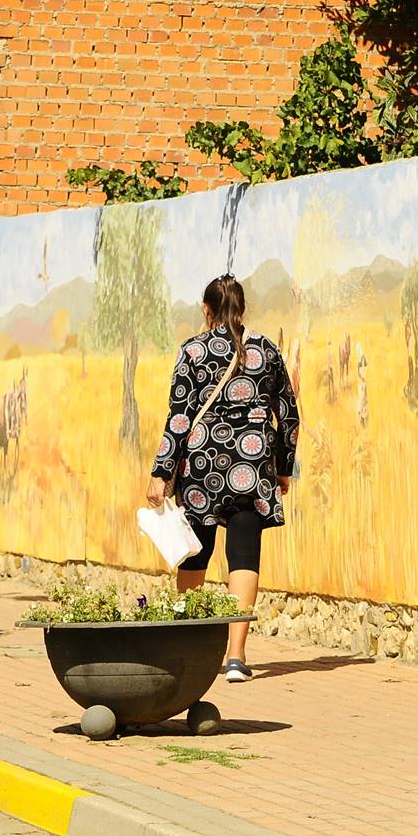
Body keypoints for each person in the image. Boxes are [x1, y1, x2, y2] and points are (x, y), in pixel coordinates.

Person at [147, 274, 302, 682]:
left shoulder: (193, 351)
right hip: (252, 468)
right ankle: (236, 657)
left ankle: (192, 649)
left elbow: (179, 417)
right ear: (244, 309)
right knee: (244, 554)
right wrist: (283, 468)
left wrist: (161, 473)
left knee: (195, 552)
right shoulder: (266, 350)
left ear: (206, 308)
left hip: (203, 466)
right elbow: (288, 414)